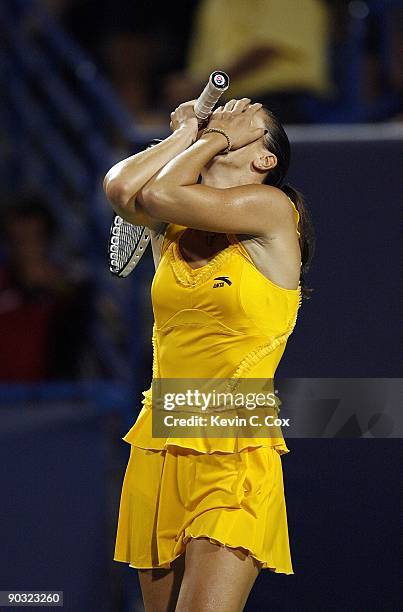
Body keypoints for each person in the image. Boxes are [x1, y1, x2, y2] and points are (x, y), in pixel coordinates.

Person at [104, 98, 314, 611]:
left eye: (247, 122)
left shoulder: (272, 210)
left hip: (234, 447)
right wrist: (184, 135)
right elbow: (121, 189)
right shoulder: (169, 223)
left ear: (265, 160)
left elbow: (157, 194)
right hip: (160, 437)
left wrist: (211, 138)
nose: (230, 117)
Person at [164, 0, 333, 124]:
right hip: (223, 104)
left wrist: (200, 83)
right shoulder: (213, 5)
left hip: (283, 102)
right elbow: (202, 67)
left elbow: (268, 48)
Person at [0, 198, 91, 381]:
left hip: (51, 396)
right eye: (19, 240)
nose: (28, 248)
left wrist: (54, 285)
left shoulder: (67, 284)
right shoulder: (3, 282)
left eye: (34, 239)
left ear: (47, 240)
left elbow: (78, 315)